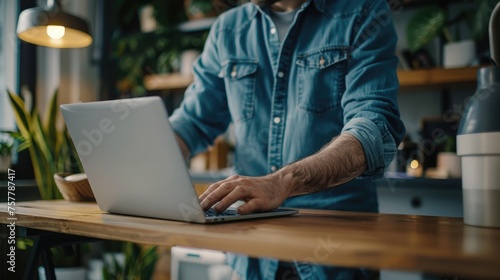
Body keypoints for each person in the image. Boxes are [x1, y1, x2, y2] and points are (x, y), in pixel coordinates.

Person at [169, 0, 406, 278]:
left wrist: (281, 183)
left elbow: (375, 130)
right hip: (250, 257)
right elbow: (192, 122)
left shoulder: (363, 12)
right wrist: (145, 159)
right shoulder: (227, 30)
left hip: (334, 258)